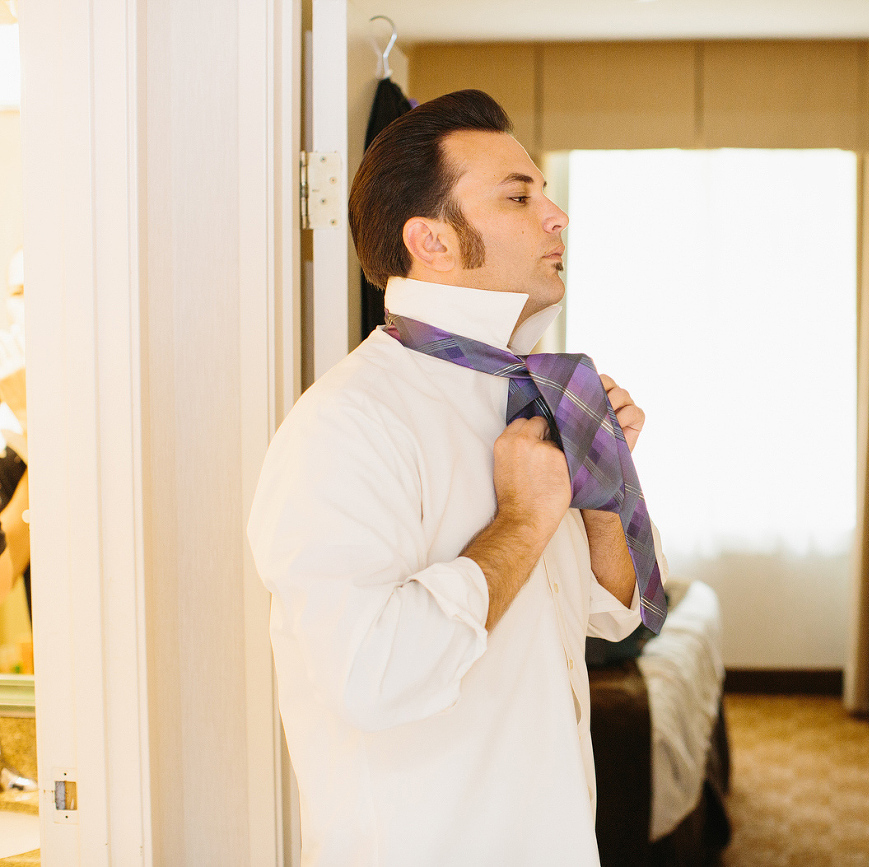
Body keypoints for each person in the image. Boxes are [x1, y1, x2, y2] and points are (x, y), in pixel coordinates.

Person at [247, 89, 662, 866]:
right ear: (431, 242)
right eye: (519, 195)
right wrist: (522, 522)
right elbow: (370, 676)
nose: (557, 215)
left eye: (543, 190)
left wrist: (604, 488)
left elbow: (614, 617)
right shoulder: (344, 423)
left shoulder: (542, 395)